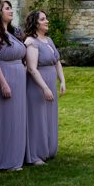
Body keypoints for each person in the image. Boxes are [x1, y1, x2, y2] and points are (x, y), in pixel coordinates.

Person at [0, 0, 27, 172]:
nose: (11, 11)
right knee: (4, 119)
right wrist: (3, 84)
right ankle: (3, 158)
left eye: (10, 8)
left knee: (15, 119)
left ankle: (14, 156)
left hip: (18, 80)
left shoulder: (9, 33)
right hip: (4, 79)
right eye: (7, 8)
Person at [24, 9, 66, 165]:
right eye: (43, 19)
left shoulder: (48, 40)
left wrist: (62, 81)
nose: (47, 21)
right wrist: (45, 88)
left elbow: (57, 61)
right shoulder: (31, 42)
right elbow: (32, 68)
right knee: (37, 118)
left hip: (50, 82)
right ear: (35, 23)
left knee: (48, 116)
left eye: (46, 18)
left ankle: (48, 149)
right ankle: (35, 154)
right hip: (38, 86)